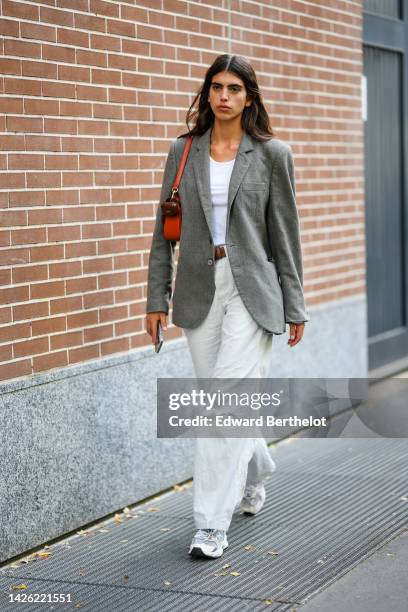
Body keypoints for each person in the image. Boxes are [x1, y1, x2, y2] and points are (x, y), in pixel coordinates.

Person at [145, 54, 309, 559]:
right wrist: (157, 297)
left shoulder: (272, 154)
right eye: (216, 86)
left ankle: (210, 524)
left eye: (235, 88)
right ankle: (256, 469)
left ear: (249, 97)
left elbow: (285, 234)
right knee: (221, 403)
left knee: (221, 408)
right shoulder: (184, 150)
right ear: (207, 93)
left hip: (253, 289)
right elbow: (163, 232)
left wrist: (294, 303)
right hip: (199, 287)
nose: (223, 96)